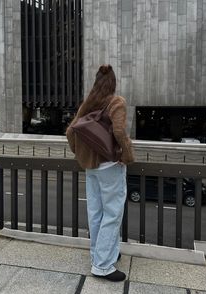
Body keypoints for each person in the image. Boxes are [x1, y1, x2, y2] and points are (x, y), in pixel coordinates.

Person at [66, 64, 134, 282]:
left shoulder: (88, 103)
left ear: (96, 82)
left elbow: (70, 131)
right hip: (110, 166)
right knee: (112, 214)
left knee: (95, 213)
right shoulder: (116, 102)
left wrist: (80, 153)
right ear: (113, 83)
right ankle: (103, 266)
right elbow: (119, 131)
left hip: (91, 168)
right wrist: (127, 156)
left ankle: (103, 253)